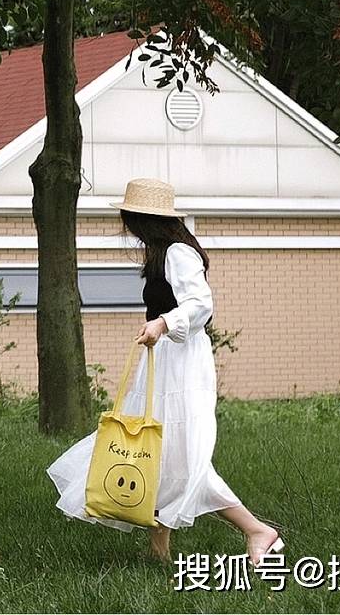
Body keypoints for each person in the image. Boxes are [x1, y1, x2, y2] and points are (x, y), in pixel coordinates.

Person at [48, 176, 284, 568]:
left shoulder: (178, 252)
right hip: (165, 360)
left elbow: (200, 304)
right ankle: (160, 552)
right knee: (158, 452)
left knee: (180, 458)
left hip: (181, 362)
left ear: (140, 219)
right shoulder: (163, 252)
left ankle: (256, 529)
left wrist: (162, 324)